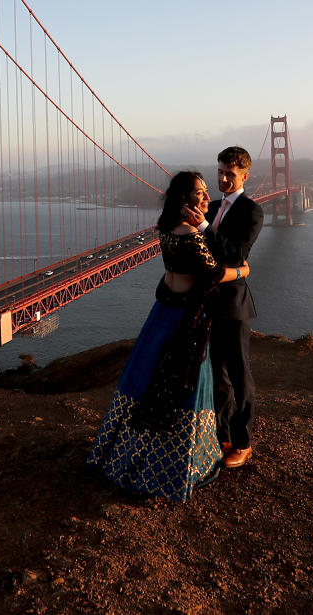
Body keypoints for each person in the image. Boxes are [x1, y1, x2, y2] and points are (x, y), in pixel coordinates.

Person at [88, 171, 251, 501]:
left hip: (162, 315)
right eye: (200, 193)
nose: (207, 198)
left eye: (207, 192)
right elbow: (215, 273)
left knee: (147, 382)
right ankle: (176, 465)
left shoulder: (166, 229)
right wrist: (243, 270)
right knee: (183, 386)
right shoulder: (191, 232)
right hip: (187, 319)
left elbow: (171, 274)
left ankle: (126, 453)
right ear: (185, 200)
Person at [189, 146, 264, 468]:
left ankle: (243, 443)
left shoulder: (252, 212)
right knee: (217, 375)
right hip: (207, 302)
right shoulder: (213, 205)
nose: (222, 178)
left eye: (229, 174)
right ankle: (224, 437)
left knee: (239, 375)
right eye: (219, 172)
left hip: (233, 306)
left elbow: (235, 253)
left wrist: (204, 228)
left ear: (245, 176)